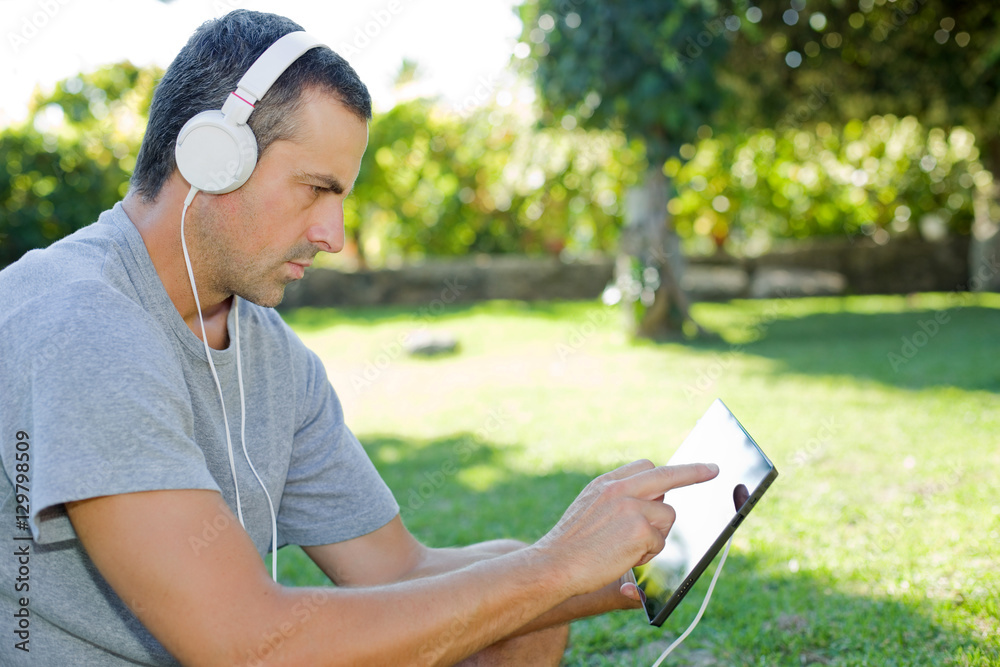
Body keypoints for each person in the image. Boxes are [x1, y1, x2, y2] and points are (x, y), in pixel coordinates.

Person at [0, 10, 719, 666]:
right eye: (315, 189)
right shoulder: (81, 322)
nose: (333, 236)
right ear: (211, 158)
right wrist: (551, 567)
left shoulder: (271, 354)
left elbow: (398, 571)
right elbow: (248, 644)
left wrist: (605, 568)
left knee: (509, 592)